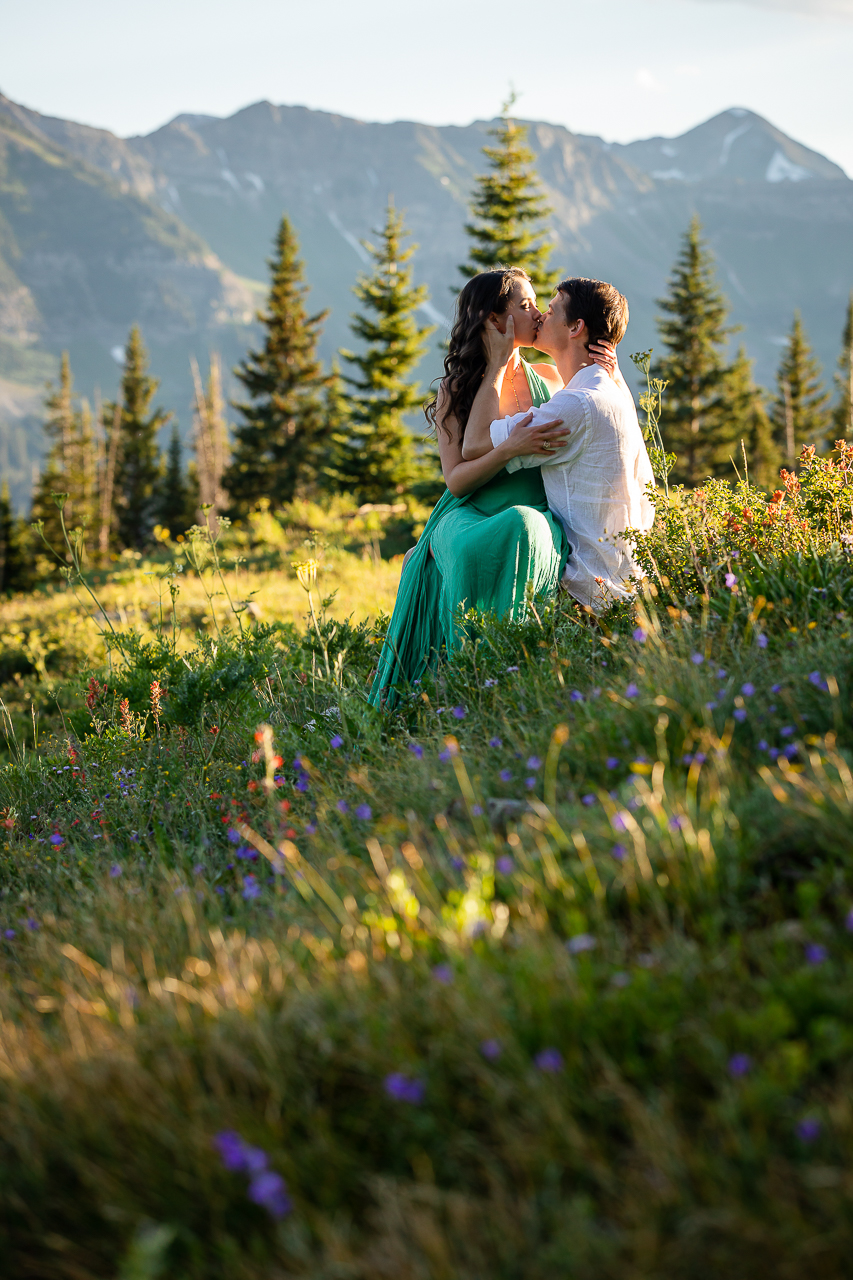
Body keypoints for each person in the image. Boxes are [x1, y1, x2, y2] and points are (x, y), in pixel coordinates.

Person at [368, 267, 616, 709]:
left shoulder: (550, 376)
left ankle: (514, 673)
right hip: (471, 511)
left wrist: (609, 371)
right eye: (524, 306)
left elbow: (595, 406)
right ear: (494, 320)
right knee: (494, 537)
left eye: (539, 303)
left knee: (529, 528)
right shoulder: (455, 390)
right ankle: (468, 679)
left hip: (537, 510)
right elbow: (457, 479)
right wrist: (505, 432)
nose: (538, 313)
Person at [462, 277, 654, 612]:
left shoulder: (576, 405)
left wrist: (495, 364)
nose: (540, 317)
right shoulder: (614, 395)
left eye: (550, 311)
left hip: (586, 595)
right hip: (629, 586)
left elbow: (476, 444)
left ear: (576, 327)